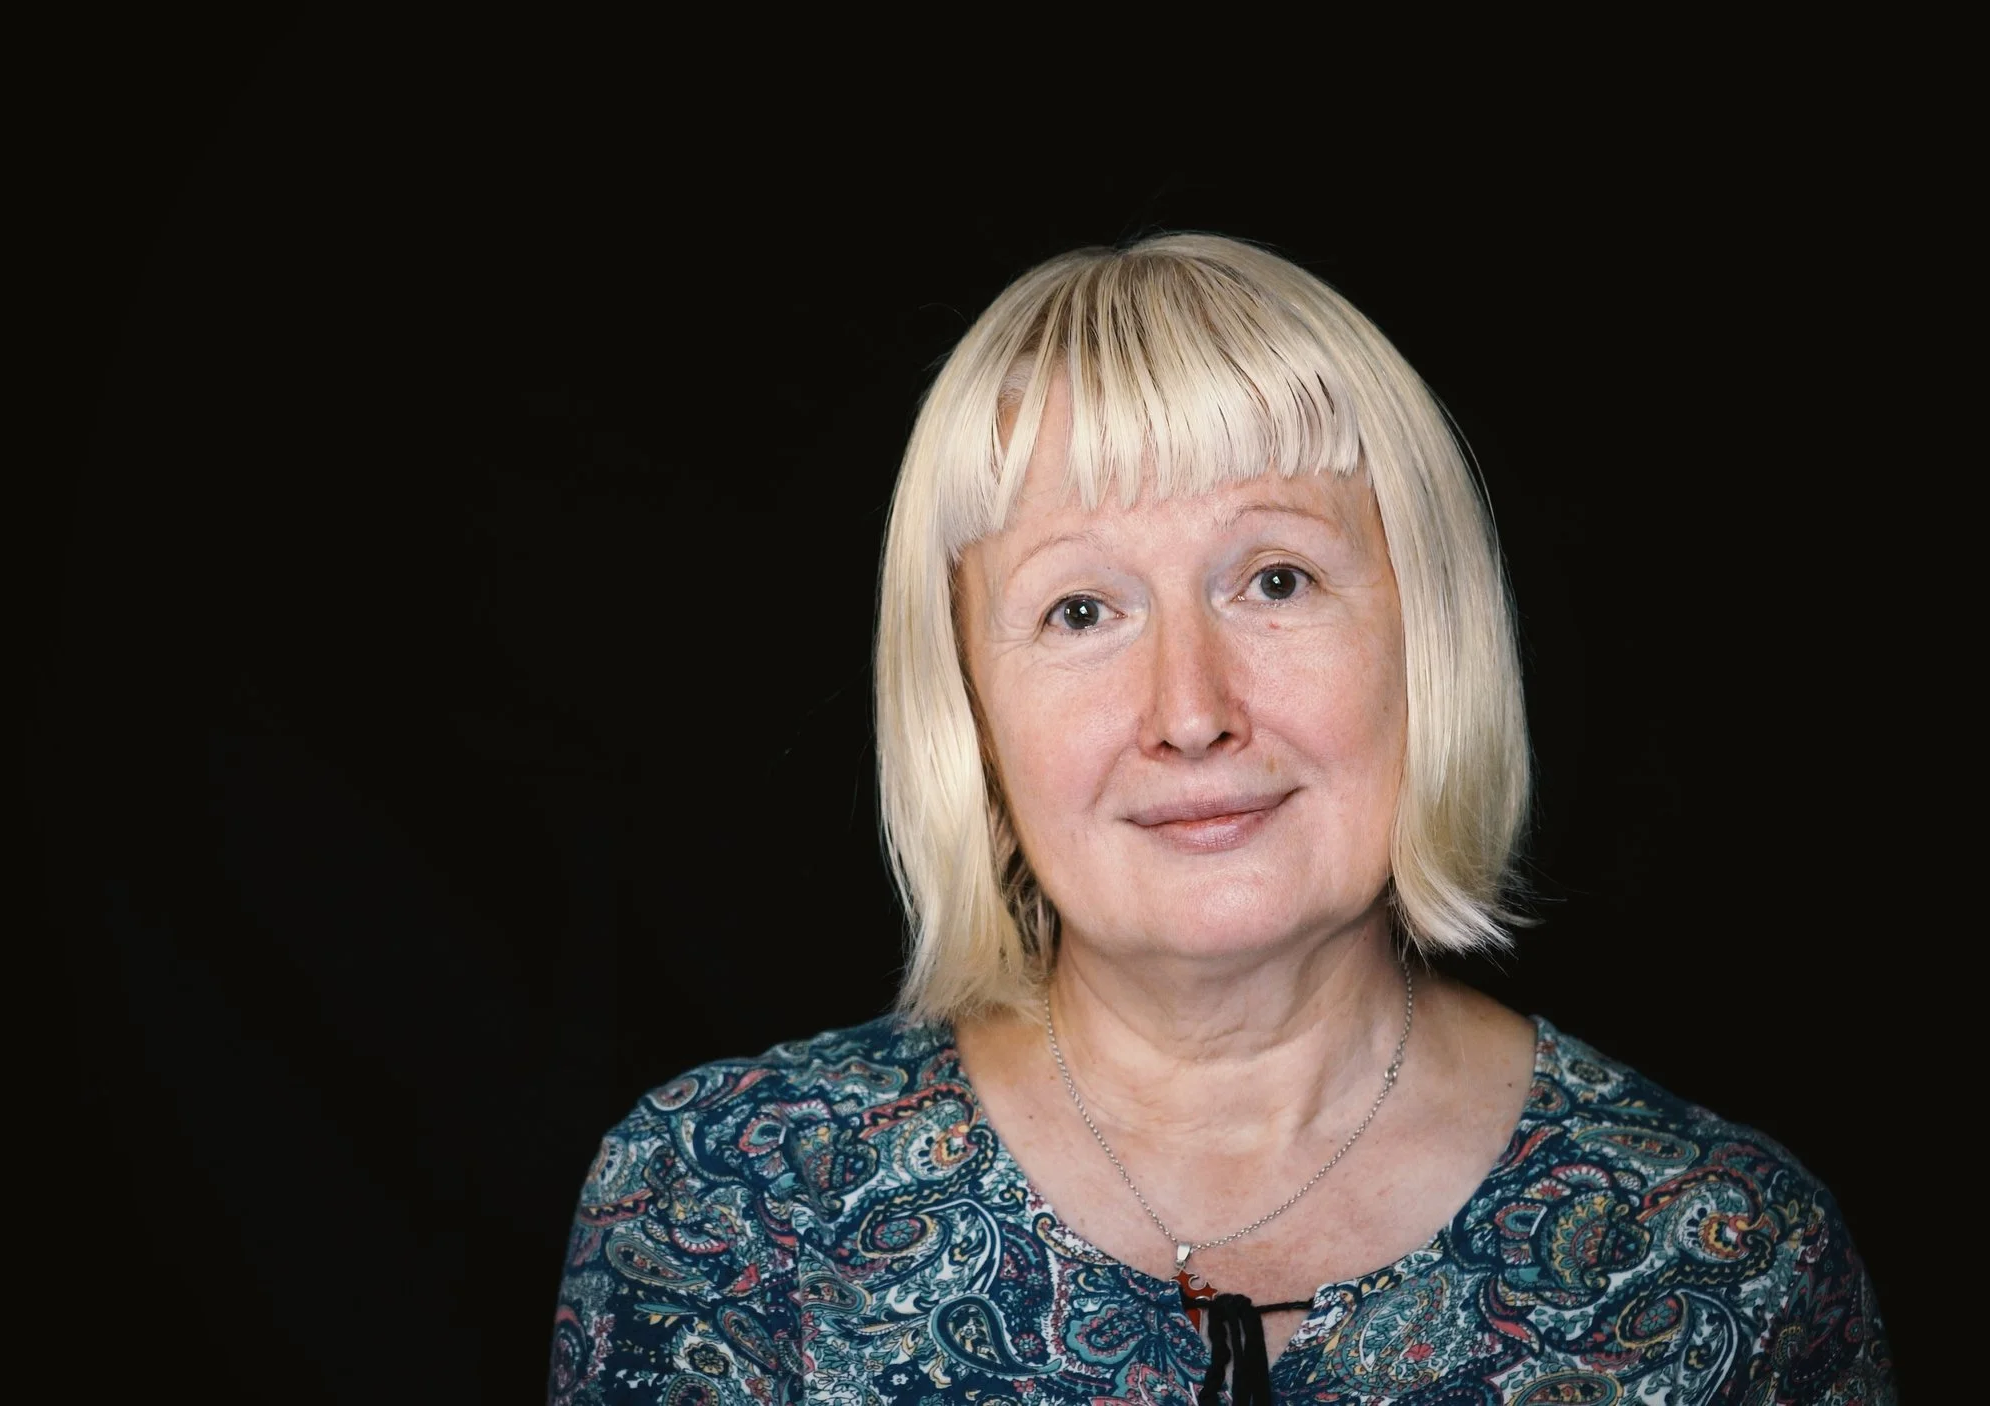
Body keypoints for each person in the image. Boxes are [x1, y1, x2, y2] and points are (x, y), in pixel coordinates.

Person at [549, 234, 1896, 1405]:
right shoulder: (727, 1210)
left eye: (1276, 578)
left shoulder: (1720, 1254)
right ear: (967, 710)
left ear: (1431, 640)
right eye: (1080, 610)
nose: (1190, 709)